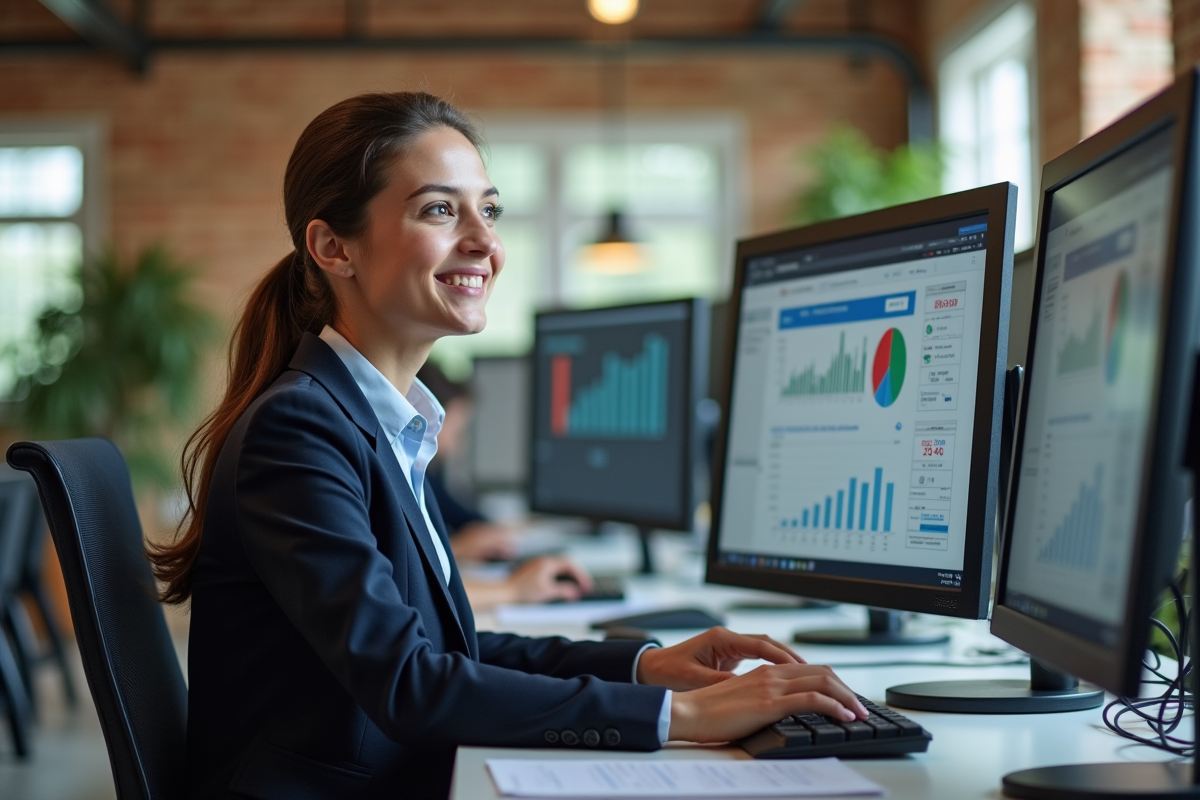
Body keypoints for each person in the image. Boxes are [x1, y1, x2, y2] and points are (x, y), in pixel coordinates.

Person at [148, 91, 867, 800]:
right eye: (439, 210)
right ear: (334, 247)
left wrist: (644, 668)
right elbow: (409, 683)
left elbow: (445, 649)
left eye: (488, 211)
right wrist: (685, 717)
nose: (485, 243)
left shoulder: (375, 421)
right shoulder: (300, 430)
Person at [414, 361, 594, 608]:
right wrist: (513, 589)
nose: (460, 444)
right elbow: (404, 586)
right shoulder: (405, 473)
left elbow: (469, 520)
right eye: (457, 431)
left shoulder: (425, 476)